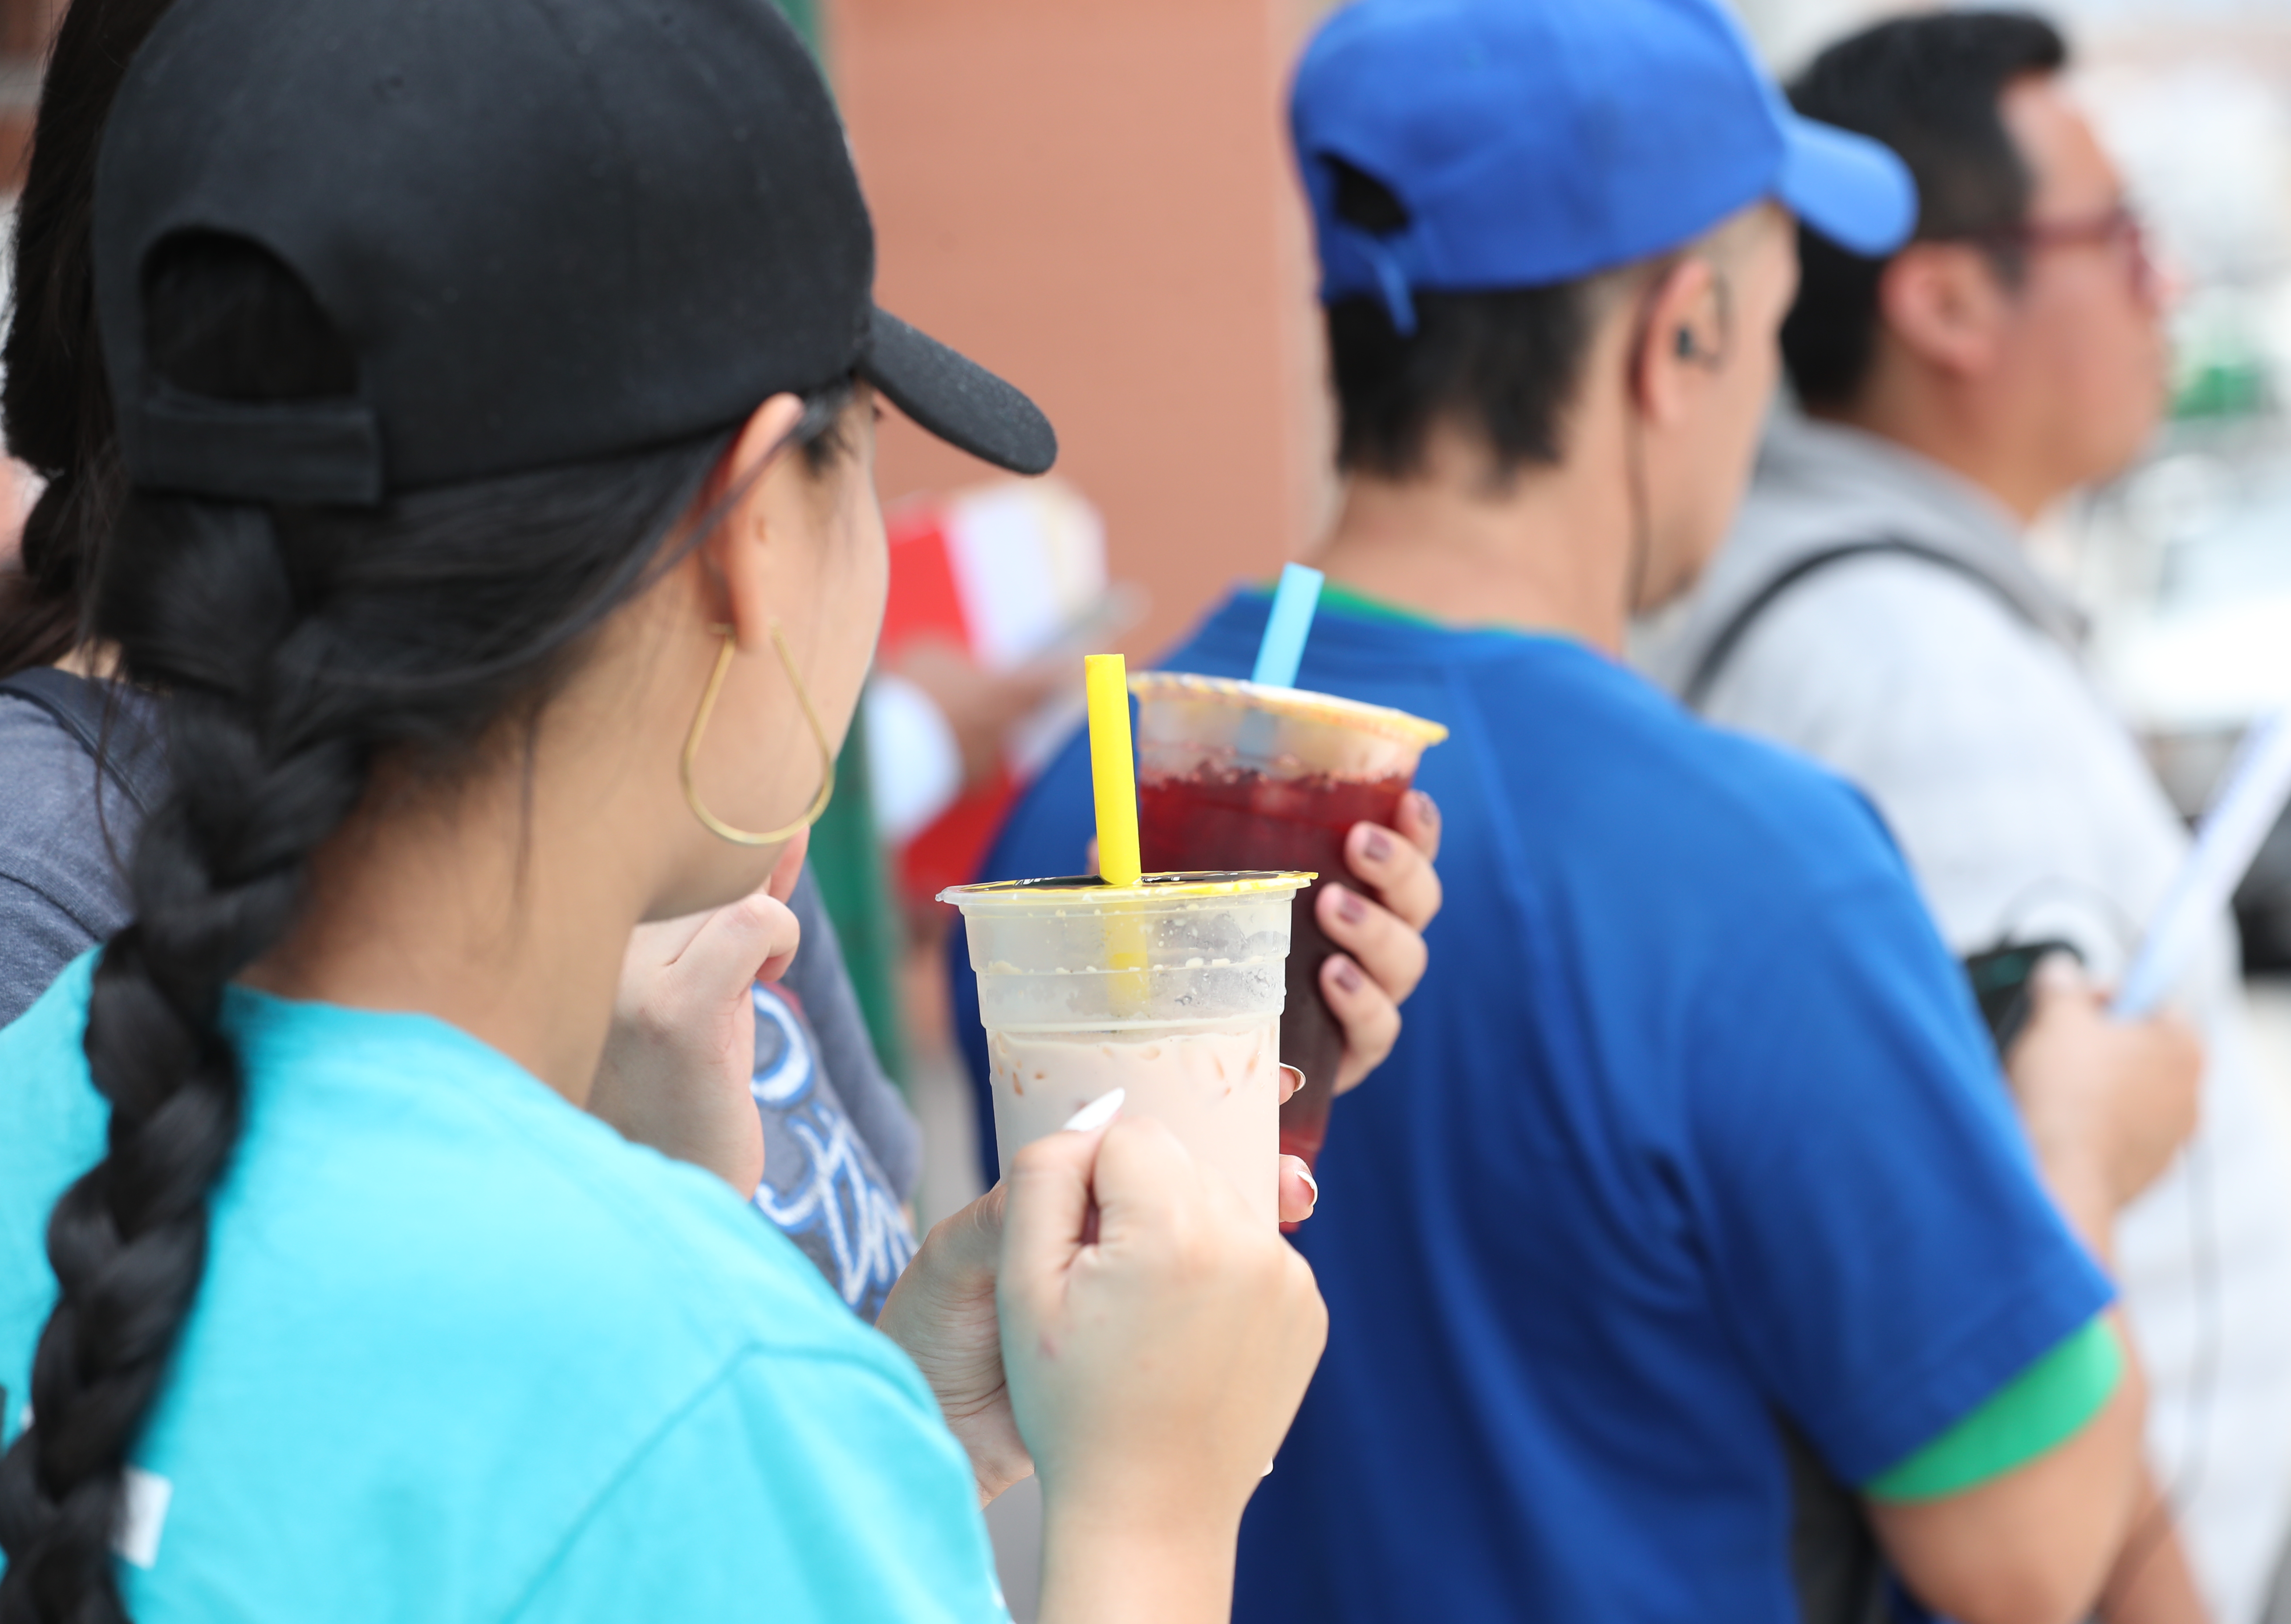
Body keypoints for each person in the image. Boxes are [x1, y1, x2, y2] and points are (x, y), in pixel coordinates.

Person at [0, 0, 1328, 1618]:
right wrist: (1152, 1507)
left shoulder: (46, 1110)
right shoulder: (693, 1393)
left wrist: (872, 1410)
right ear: (750, 534)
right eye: (870, 454)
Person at [962, 1, 2203, 1620]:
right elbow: (2029, 1556)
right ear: (1678, 339)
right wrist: (2081, 1149)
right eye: (1760, 330)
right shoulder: (1760, 871)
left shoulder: (1086, 801)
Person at [1639, 15, 2291, 1620]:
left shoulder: (1882, 621)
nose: (2167, 290)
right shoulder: (1908, 680)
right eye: (2122, 237)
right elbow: (1980, 1263)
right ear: (1943, 300)